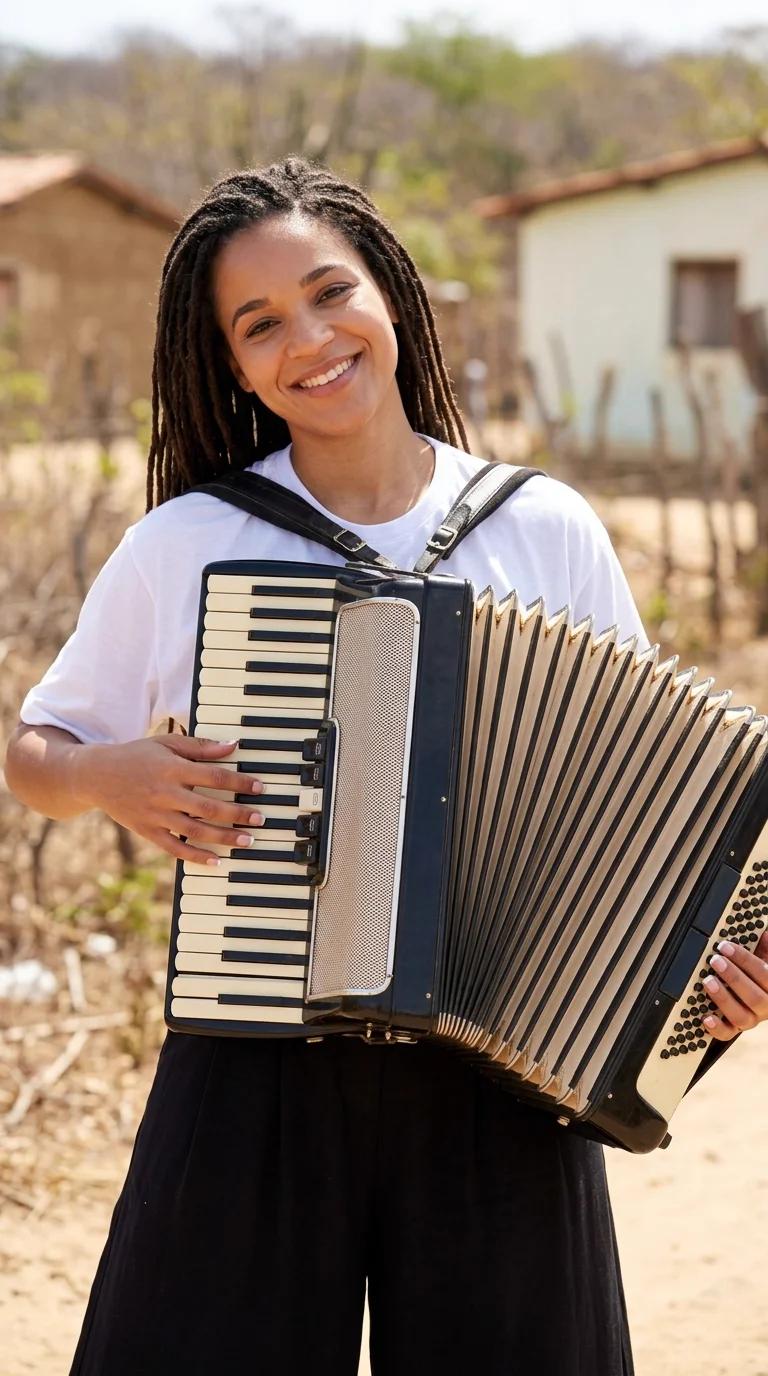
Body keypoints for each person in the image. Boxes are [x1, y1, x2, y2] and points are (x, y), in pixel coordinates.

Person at [6, 158, 768, 1376]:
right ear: (234, 365)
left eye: (329, 292)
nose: (309, 339)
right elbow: (36, 750)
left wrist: (716, 972)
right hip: (255, 1055)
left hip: (504, 1069)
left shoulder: (544, 526)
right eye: (260, 324)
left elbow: (661, 805)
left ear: (391, 295)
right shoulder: (190, 540)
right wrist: (109, 777)